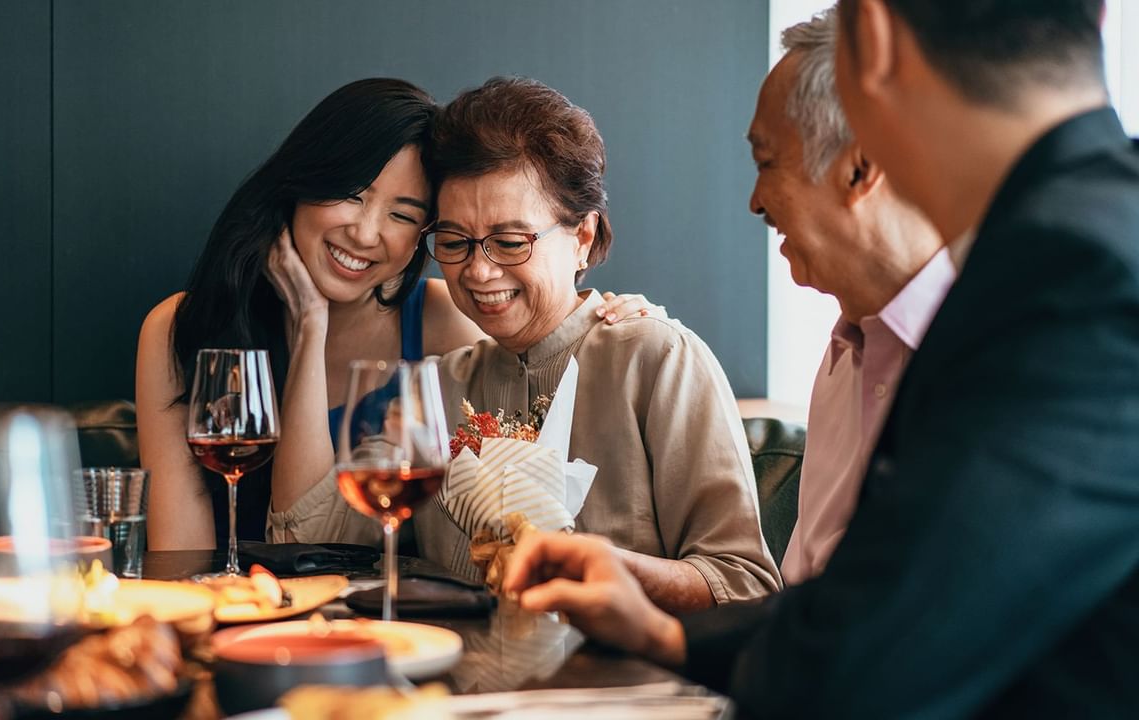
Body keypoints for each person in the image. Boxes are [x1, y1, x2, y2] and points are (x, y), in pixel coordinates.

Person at [504, 1, 1139, 716]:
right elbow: (888, 591)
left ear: (873, 37)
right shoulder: (1085, 233)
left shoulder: (1071, 273)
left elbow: (882, 655)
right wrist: (664, 633)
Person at [285, 76, 781, 613]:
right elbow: (303, 540)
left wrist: (598, 564)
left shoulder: (657, 362)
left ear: (583, 237)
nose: (478, 270)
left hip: (621, 687)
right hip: (461, 688)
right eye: (454, 242)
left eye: (510, 242)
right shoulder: (444, 386)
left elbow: (745, 583)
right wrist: (313, 317)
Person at [137, 78, 653, 551]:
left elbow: (541, 404)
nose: (365, 234)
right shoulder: (180, 327)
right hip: (240, 618)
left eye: (403, 215)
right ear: (300, 184)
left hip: (406, 628)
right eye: (350, 195)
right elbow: (181, 559)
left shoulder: (446, 320)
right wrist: (308, 323)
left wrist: (606, 316)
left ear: (423, 237)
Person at [748, 9, 950, 584]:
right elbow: (804, 597)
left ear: (860, 166)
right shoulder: (842, 357)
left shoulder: (989, 347)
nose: (755, 202)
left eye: (767, 163)